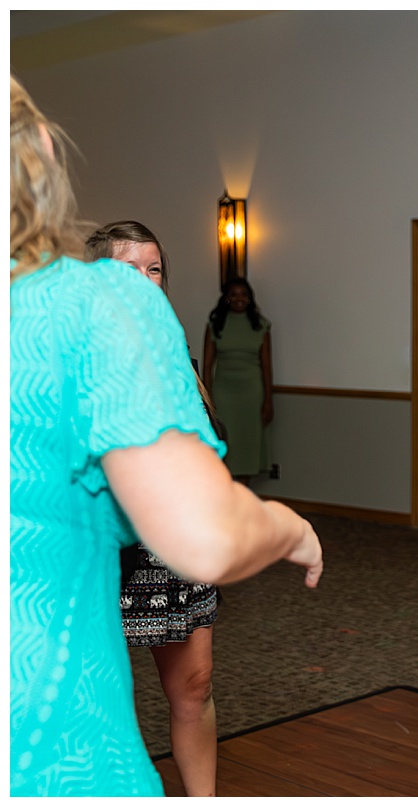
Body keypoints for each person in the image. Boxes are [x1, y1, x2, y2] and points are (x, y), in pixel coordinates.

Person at [10, 75, 323, 797]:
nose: (145, 279)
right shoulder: (101, 306)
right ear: (45, 152)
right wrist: (288, 527)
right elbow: (204, 533)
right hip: (48, 737)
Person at [84, 220, 221, 797]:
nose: (144, 281)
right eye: (127, 269)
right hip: (98, 548)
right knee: (93, 695)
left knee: (193, 685)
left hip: (173, 542)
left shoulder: (173, 346)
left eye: (154, 268)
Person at [202, 277, 273, 482]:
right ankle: (227, 494)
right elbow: (207, 365)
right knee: (226, 443)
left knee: (248, 445)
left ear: (250, 298)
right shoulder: (215, 325)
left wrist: (268, 400)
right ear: (226, 298)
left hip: (252, 392)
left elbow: (267, 367)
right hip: (223, 391)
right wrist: (208, 399)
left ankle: (243, 496)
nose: (239, 298)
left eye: (243, 294)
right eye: (233, 294)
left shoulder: (261, 326)